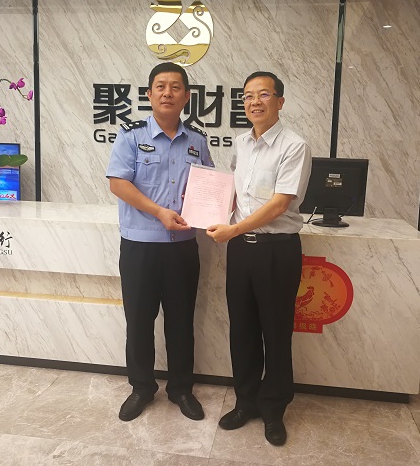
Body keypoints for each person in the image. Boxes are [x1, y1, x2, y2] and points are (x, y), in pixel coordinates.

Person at [207, 71, 312, 446]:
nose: (254, 101)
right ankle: (246, 402)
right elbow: (237, 194)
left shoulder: (294, 146)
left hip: (276, 250)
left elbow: (280, 204)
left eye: (263, 94)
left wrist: (232, 229)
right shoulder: (241, 143)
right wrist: (210, 211)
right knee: (243, 330)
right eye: (248, 95)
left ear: (279, 101)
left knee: (276, 332)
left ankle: (273, 409)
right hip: (241, 250)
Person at [106, 62, 214, 422]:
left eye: (175, 87)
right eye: (161, 86)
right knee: (139, 321)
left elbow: (209, 187)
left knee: (181, 321)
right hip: (140, 246)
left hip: (182, 247)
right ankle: (141, 387)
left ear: (186, 96)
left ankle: (181, 389)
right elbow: (118, 184)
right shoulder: (130, 136)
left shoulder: (197, 141)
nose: (168, 93)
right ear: (149, 94)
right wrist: (159, 212)